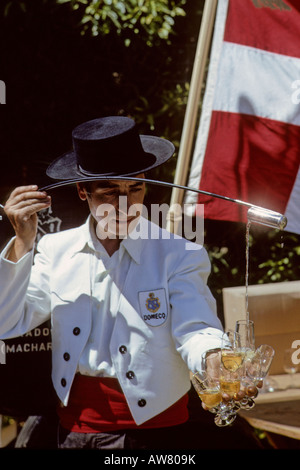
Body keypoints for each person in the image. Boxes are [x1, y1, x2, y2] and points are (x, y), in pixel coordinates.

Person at [0, 116, 257, 450]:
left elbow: (196, 327)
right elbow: (7, 322)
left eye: (136, 188)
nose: (126, 204)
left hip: (155, 433)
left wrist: (214, 357)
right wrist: (22, 242)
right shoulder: (54, 249)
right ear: (83, 191)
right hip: (74, 429)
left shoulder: (179, 253)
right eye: (109, 193)